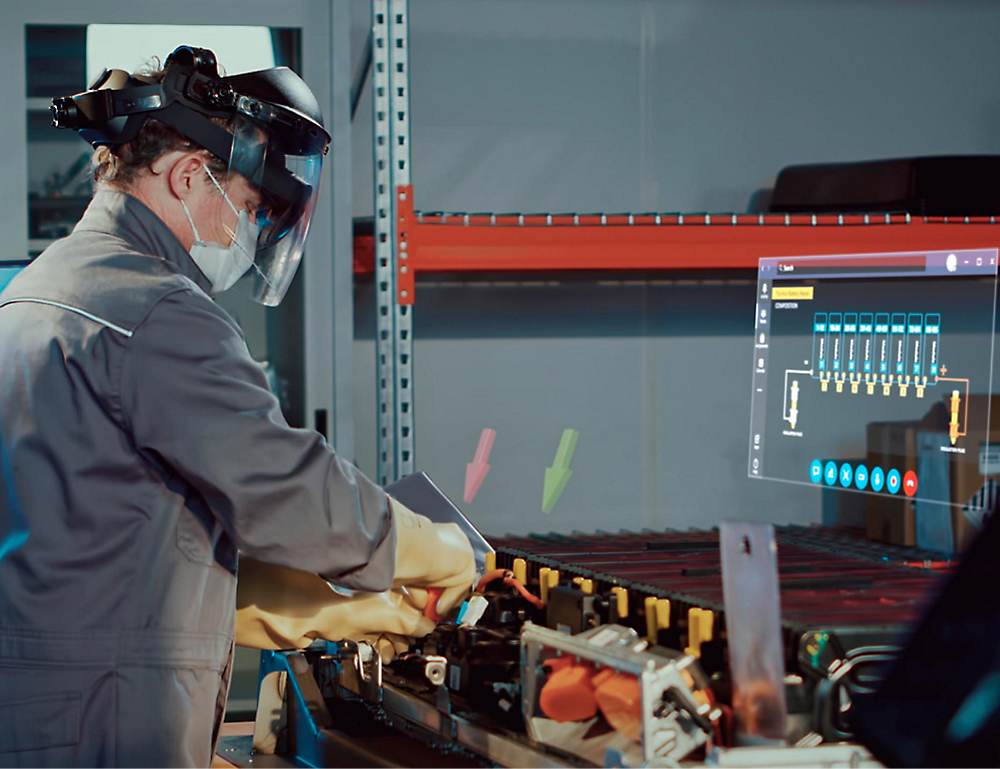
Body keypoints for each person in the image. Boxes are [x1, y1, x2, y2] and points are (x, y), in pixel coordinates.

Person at [0, 47, 474, 769]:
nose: (238, 235)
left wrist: (342, 609)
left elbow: (114, 559)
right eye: (248, 208)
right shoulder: (155, 309)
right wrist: (434, 549)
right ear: (188, 174)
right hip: (101, 729)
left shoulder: (34, 293)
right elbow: (285, 487)